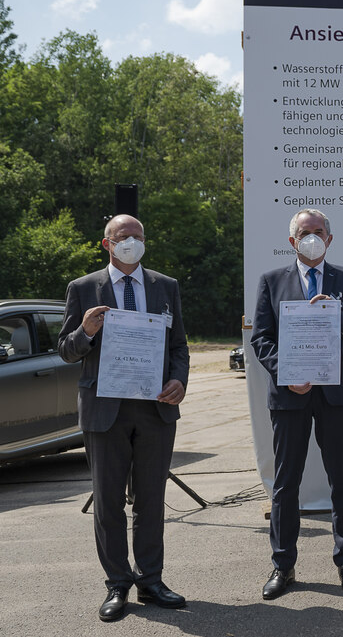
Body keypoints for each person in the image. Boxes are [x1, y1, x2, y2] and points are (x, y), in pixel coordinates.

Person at [58, 214, 189, 622]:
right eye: (123, 236)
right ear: (107, 244)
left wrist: (178, 380)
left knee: (151, 500)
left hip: (155, 409)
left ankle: (151, 580)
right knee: (109, 503)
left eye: (137, 236)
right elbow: (66, 349)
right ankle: (117, 583)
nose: (131, 241)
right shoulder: (83, 289)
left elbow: (180, 346)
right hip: (105, 411)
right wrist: (87, 332)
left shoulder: (166, 287)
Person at [251, 209, 343, 599]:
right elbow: (260, 339)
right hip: (290, 395)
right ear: (292, 241)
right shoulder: (271, 281)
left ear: (330, 239)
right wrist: (286, 373)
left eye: (319, 232)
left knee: (342, 479)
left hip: (335, 395)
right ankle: (282, 566)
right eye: (305, 232)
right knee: (286, 483)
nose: (312, 237)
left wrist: (334, 314)